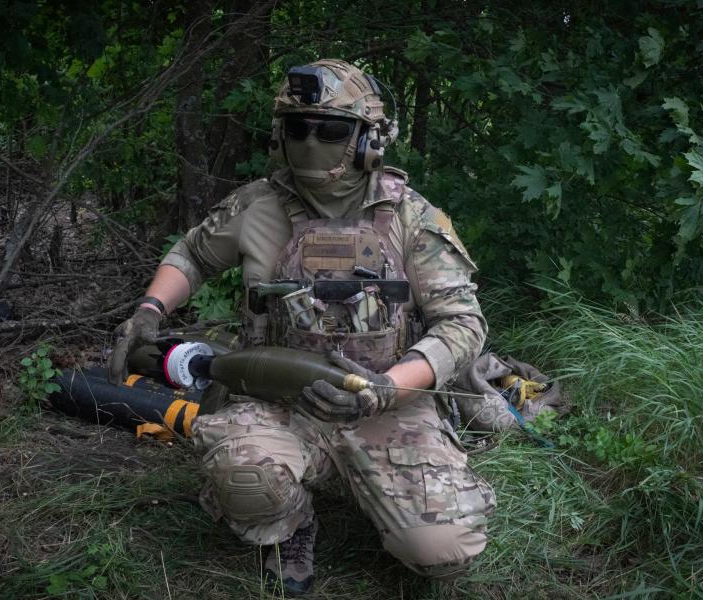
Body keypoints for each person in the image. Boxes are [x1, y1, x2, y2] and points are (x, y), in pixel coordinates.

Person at [108, 59, 496, 595]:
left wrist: (389, 388)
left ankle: (380, 487)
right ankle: (291, 523)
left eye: (333, 129)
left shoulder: (411, 219)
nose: (312, 141)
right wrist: (151, 309)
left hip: (387, 400)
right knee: (245, 479)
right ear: (279, 135)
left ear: (368, 138)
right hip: (274, 396)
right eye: (298, 128)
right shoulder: (257, 206)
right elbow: (193, 254)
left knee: (442, 550)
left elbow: (462, 325)